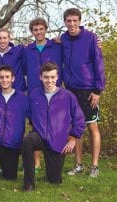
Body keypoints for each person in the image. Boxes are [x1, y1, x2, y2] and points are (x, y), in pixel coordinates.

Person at [22, 62, 85, 191]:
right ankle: (29, 183)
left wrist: (73, 138)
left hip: (58, 141)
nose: (49, 80)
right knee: (27, 141)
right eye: (46, 77)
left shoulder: (68, 96)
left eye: (52, 77)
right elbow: (27, 112)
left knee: (54, 180)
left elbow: (79, 118)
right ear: (40, 77)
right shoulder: (34, 95)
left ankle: (52, 173)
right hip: (39, 136)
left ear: (57, 77)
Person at [61, 8, 105, 177]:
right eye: (68, 21)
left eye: (74, 20)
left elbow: (98, 63)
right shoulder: (64, 39)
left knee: (92, 126)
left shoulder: (91, 38)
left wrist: (97, 90)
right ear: (65, 22)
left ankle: (94, 166)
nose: (71, 24)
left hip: (88, 89)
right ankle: (78, 164)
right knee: (75, 127)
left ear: (79, 21)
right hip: (70, 89)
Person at [23, 17, 63, 173]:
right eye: (35, 30)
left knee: (54, 123)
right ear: (32, 32)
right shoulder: (27, 49)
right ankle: (37, 161)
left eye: (41, 29)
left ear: (46, 29)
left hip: (53, 92)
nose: (38, 32)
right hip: (35, 91)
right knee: (35, 124)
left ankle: (52, 155)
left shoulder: (56, 46)